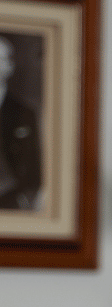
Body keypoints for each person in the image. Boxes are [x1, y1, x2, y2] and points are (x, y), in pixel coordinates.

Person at [0, 35, 41, 212]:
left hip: (11, 203)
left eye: (1, 59)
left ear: (10, 66)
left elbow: (34, 168)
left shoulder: (25, 113)